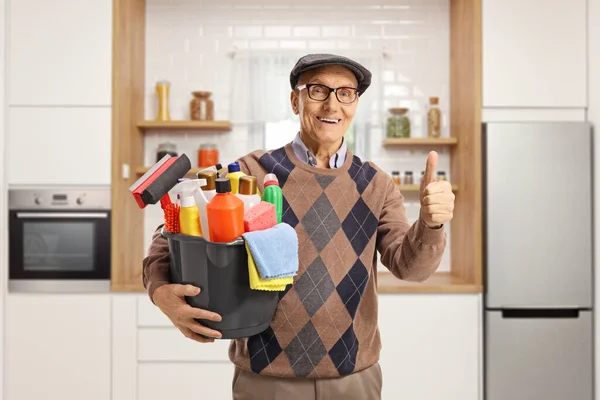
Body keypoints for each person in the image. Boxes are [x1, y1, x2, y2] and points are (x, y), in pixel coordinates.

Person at [142, 53, 455, 400]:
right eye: (319, 90)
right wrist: (159, 291)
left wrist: (431, 223)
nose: (333, 104)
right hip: (266, 379)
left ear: (355, 103)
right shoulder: (249, 173)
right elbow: (170, 230)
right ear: (296, 100)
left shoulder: (377, 184)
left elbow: (410, 267)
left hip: (354, 377)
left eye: (346, 93)